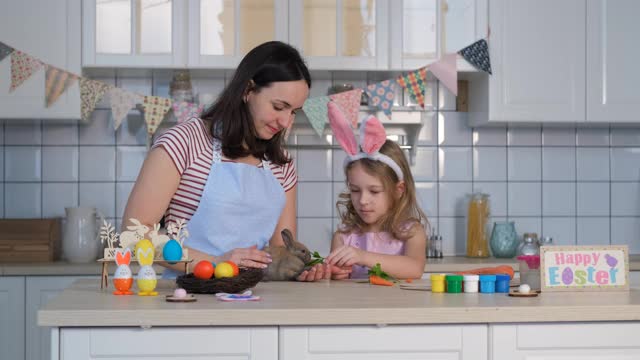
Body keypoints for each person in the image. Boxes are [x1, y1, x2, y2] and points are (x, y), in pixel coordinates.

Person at [122, 41, 329, 281]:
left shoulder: (281, 164)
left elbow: (281, 253)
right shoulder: (183, 143)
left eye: (293, 111)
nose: (286, 122)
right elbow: (134, 235)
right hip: (186, 298)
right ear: (247, 91)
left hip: (258, 301)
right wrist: (216, 262)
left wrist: (303, 269)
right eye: (278, 106)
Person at [324, 102, 428, 280]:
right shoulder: (344, 237)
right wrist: (334, 273)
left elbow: (414, 268)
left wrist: (363, 256)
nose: (363, 200)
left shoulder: (411, 232)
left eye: (374, 191)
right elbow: (337, 286)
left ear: (398, 190)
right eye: (355, 190)